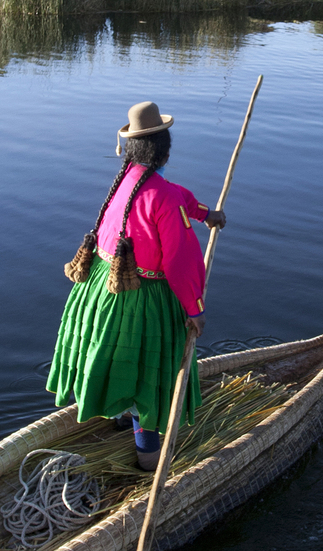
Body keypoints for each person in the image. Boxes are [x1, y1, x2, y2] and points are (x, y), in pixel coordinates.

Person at [46, 101, 227, 470]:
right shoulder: (163, 194)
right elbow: (180, 261)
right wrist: (194, 310)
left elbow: (175, 197)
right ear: (164, 150)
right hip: (142, 298)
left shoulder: (125, 182)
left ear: (130, 150)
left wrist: (205, 214)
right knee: (149, 372)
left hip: (102, 288)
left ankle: (116, 417)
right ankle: (148, 462)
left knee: (116, 358)